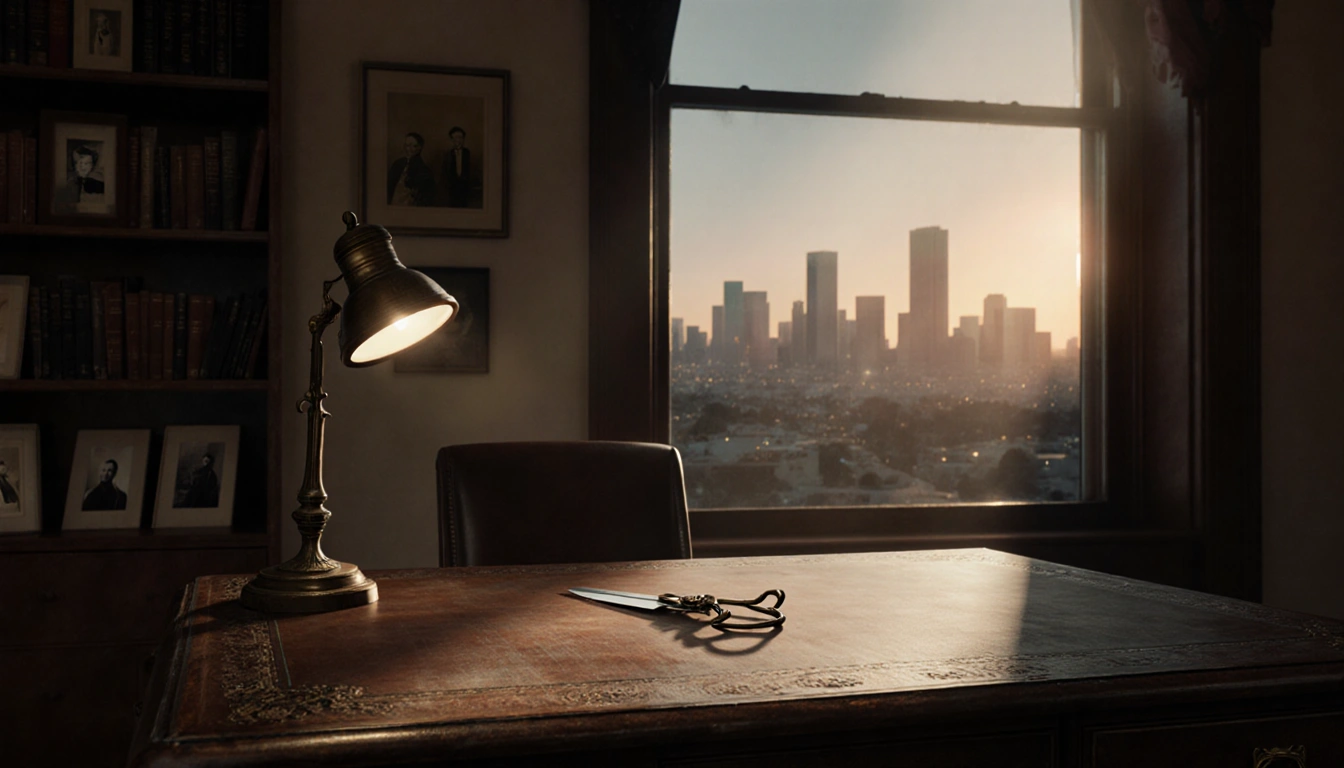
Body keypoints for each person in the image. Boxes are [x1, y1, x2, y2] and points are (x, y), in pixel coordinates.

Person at [387, 132, 436, 206]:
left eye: (412, 146)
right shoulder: (397, 164)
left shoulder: (424, 171)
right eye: (406, 145)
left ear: (419, 148)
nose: (408, 149)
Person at [442, 126, 471, 207]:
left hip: (465, 188)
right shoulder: (448, 155)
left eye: (460, 138)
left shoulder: (467, 153)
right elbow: (445, 173)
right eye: (455, 138)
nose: (458, 140)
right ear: (451, 140)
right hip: (452, 189)